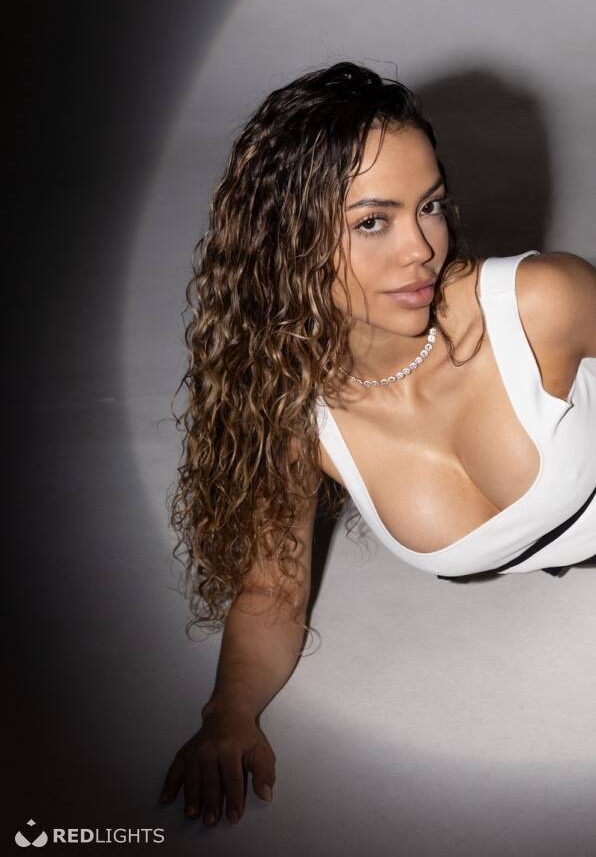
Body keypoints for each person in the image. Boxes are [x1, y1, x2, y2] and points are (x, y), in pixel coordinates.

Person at [158, 60, 596, 828]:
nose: (421, 248)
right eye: (372, 221)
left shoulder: (540, 304)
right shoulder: (297, 417)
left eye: (430, 206)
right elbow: (270, 592)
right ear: (286, 242)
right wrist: (229, 715)